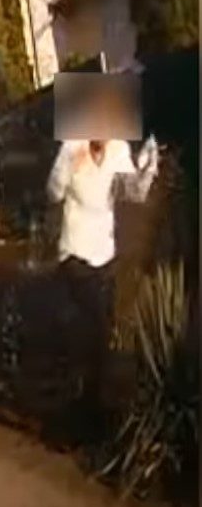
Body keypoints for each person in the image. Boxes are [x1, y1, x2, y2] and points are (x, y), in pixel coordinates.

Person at [45, 134, 158, 443]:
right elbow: (53, 193)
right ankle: (86, 420)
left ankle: (88, 417)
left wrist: (148, 165)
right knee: (97, 328)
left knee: (98, 338)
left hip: (104, 253)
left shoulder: (119, 149)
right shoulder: (72, 146)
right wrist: (69, 165)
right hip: (75, 254)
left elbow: (134, 193)